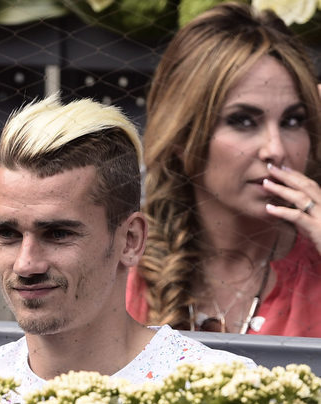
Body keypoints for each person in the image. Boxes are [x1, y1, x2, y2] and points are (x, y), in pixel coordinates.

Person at [0, 95, 251, 393]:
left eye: (58, 234)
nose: (26, 264)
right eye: (7, 233)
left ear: (130, 240)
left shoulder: (220, 391)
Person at [128, 3, 321, 336]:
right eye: (243, 121)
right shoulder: (124, 263)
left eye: (293, 121)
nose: (275, 149)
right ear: (182, 135)